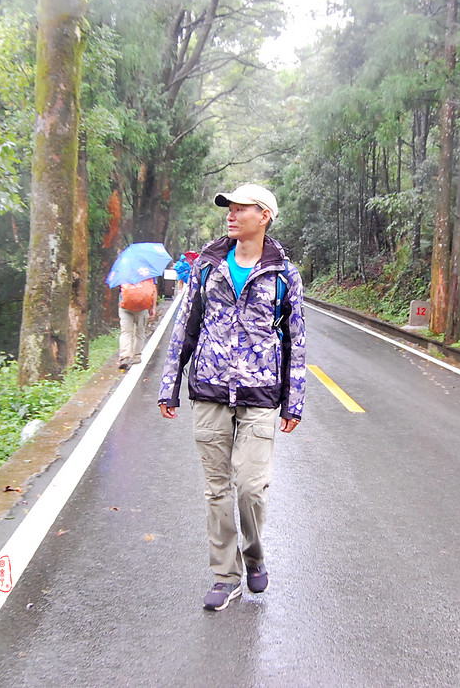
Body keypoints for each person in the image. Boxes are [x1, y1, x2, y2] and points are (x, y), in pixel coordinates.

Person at [158, 183, 306, 612]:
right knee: (216, 490)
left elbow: (296, 341)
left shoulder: (283, 276)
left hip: (260, 395)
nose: (231, 214)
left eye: (241, 209)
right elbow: (185, 327)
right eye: (229, 208)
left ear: (264, 216)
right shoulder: (207, 266)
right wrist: (170, 384)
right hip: (208, 389)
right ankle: (225, 576)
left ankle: (254, 555)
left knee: (250, 487)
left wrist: (293, 401)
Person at [118, 277, 157, 371]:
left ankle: (125, 356)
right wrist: (153, 307)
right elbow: (153, 290)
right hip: (142, 307)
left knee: (126, 332)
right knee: (140, 332)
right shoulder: (148, 272)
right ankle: (136, 356)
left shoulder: (124, 271)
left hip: (125, 306)